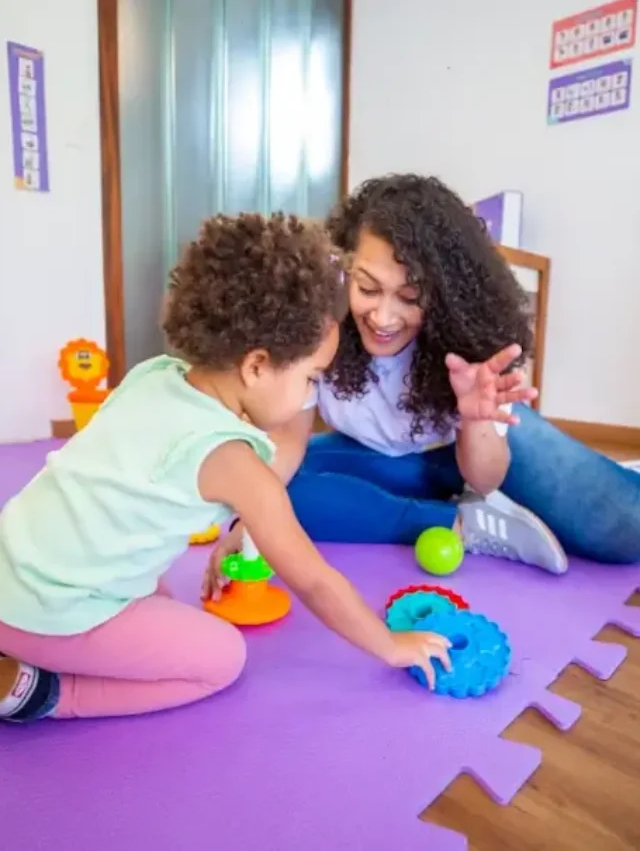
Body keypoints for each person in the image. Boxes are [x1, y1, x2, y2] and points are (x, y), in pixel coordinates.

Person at [0, 213, 452, 724]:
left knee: (162, 596)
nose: (312, 396)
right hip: (44, 611)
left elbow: (108, 486)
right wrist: (390, 645)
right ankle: (39, 692)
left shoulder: (153, 375)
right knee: (221, 659)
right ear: (256, 366)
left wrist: (236, 533)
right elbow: (315, 581)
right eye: (311, 378)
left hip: (12, 562)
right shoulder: (233, 459)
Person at [211, 176, 640, 578]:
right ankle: (455, 521)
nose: (382, 317)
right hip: (392, 463)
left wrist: (474, 419)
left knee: (627, 530)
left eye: (410, 297)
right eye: (368, 288)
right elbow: (288, 443)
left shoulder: (472, 337)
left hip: (474, 456)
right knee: (258, 487)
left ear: (443, 292)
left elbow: (485, 478)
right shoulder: (321, 325)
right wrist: (252, 524)